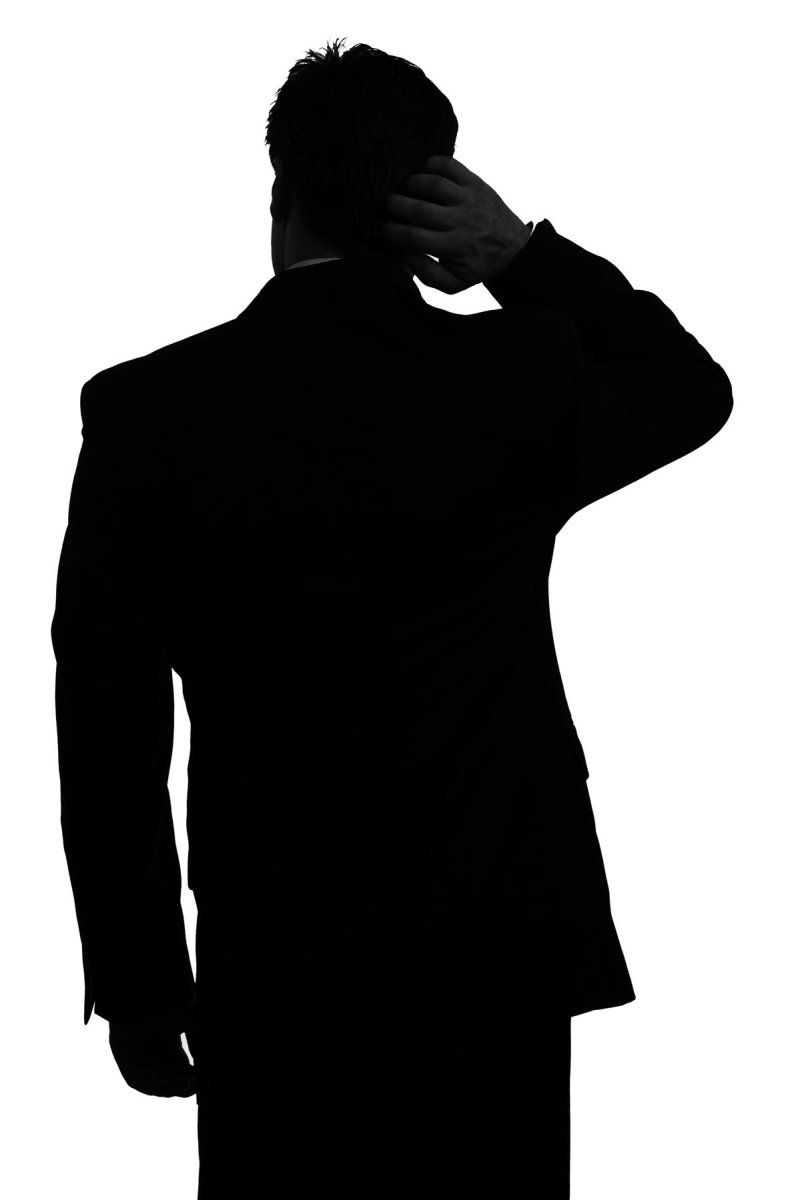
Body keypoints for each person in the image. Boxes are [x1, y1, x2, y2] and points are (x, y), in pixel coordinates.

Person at [50, 37, 733, 1199]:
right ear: (432, 198)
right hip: (498, 968)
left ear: (279, 191)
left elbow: (107, 727)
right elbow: (689, 386)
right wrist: (523, 254)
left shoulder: (145, 415)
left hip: (276, 977)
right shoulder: (514, 375)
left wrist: (140, 982)